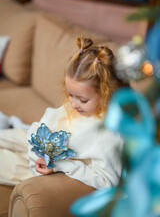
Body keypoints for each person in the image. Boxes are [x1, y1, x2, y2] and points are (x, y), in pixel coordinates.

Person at [0, 37, 128, 189]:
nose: (73, 104)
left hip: (54, 169)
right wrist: (36, 143)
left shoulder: (108, 133)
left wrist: (62, 165)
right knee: (11, 136)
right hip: (41, 145)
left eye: (83, 100)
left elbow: (107, 181)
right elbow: (47, 121)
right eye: (70, 95)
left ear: (106, 93)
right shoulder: (76, 107)